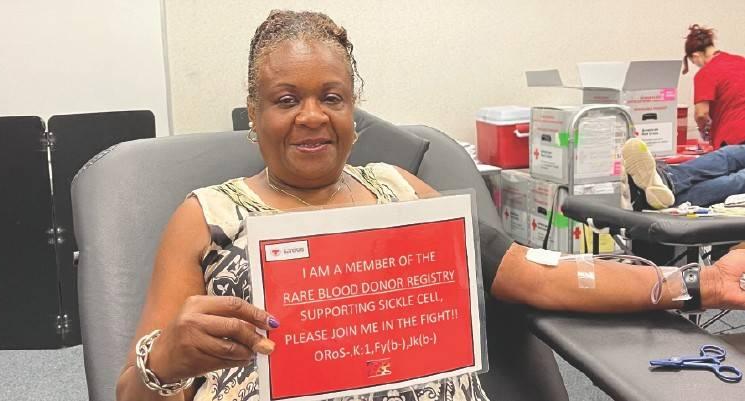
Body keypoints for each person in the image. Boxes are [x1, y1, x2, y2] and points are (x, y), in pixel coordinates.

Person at [116, 10, 745, 401]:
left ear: (353, 111)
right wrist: (165, 360)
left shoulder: (400, 190)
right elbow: (133, 391)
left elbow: (530, 271)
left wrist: (697, 280)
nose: (311, 115)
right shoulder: (206, 217)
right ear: (254, 115)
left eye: (331, 97)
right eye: (285, 99)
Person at [683, 24, 745, 149]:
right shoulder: (741, 61)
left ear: (696, 56)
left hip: (732, 140)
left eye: (694, 63)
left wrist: (703, 130)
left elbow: (701, 114)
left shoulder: (705, 73)